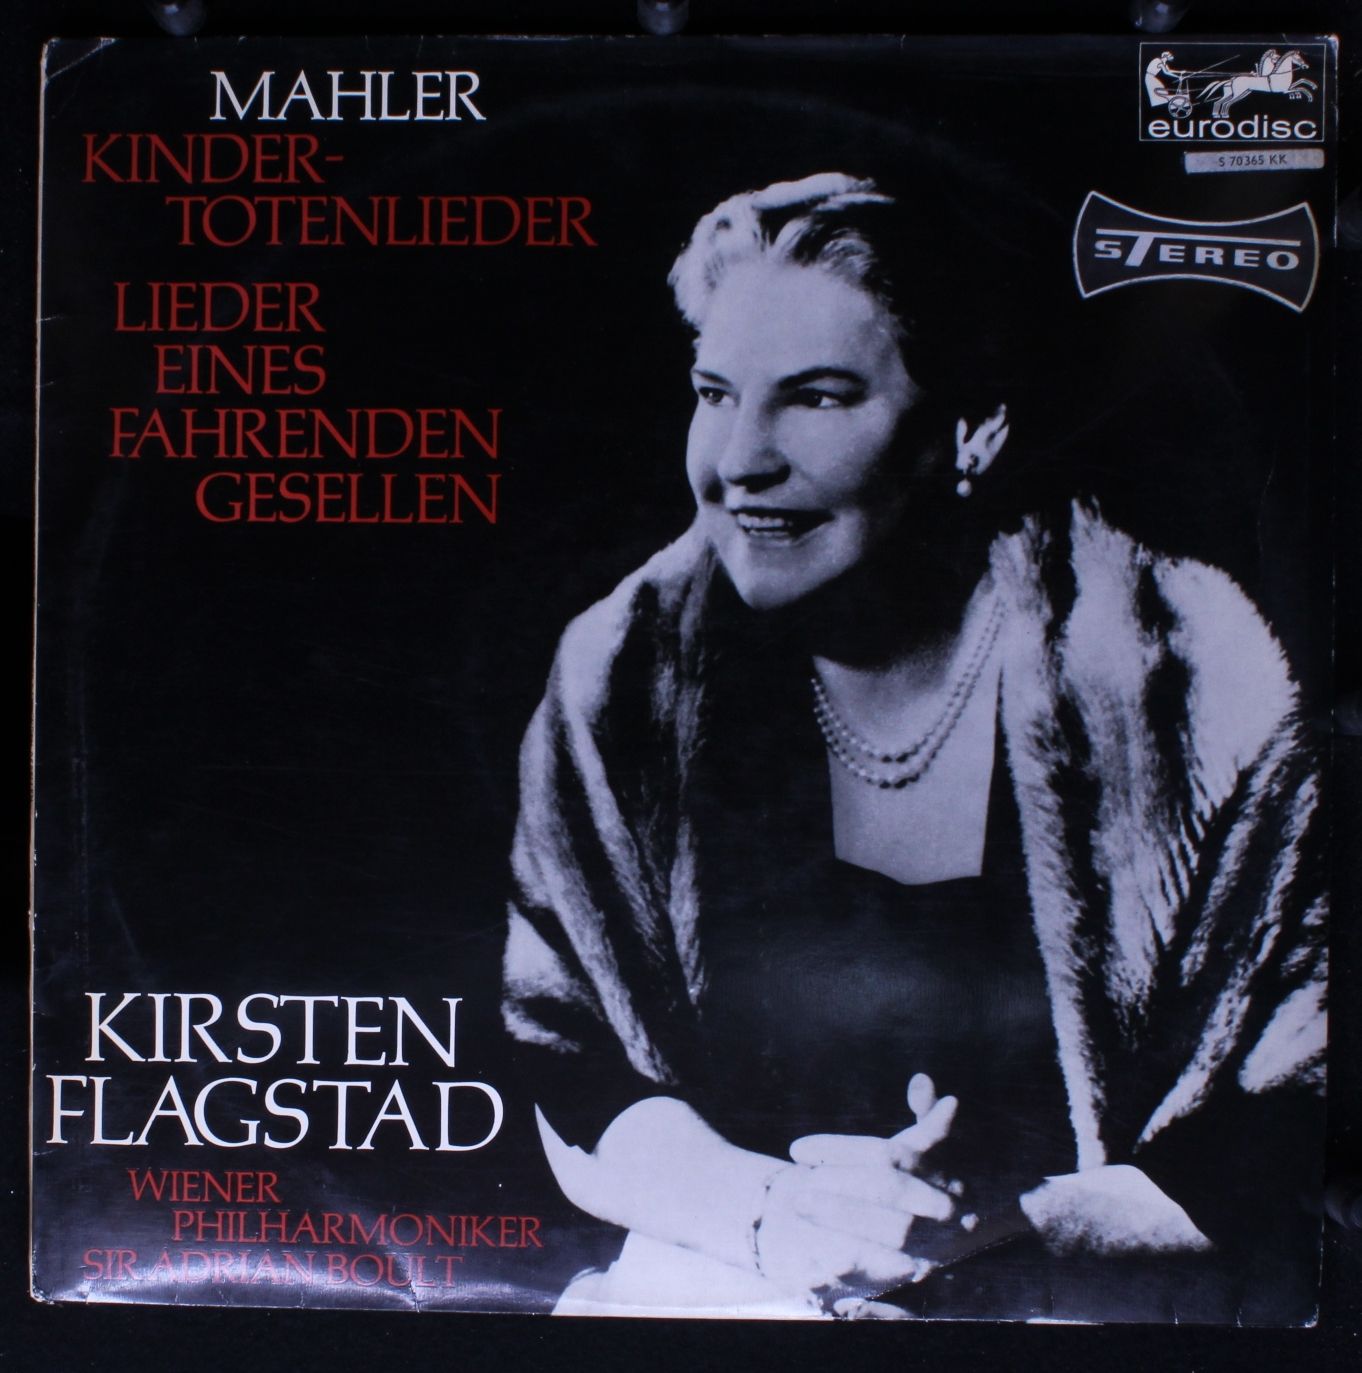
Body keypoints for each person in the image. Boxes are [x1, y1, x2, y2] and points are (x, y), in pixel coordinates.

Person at [501, 173, 1326, 1321]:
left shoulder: (1195, 689)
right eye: (716, 394)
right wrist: (771, 1213)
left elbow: (1286, 1129)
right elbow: (565, 1060)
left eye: (817, 397)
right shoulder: (624, 678)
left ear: (970, 428)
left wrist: (1003, 1225)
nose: (740, 458)